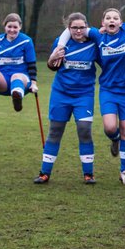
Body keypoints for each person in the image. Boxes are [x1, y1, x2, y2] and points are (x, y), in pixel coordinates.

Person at [52, 7, 125, 184]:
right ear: (102, 23)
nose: (112, 20)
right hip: (108, 89)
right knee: (110, 128)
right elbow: (71, 28)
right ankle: (114, 140)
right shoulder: (97, 35)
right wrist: (61, 46)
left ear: (120, 22)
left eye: (115, 18)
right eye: (108, 17)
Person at [34, 13, 101, 184]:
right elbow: (52, 66)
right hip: (61, 94)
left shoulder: (94, 44)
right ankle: (44, 173)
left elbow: (107, 63)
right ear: (68, 28)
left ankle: (88, 173)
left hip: (84, 95)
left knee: (84, 129)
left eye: (81, 27)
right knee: (55, 131)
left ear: (86, 27)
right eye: (74, 28)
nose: (78, 31)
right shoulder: (61, 42)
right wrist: (52, 59)